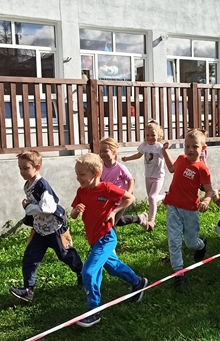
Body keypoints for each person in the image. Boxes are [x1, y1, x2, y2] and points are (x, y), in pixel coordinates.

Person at [71, 153, 147, 328]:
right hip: (93, 240)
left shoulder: (107, 189)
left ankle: (94, 311)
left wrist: (114, 212)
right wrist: (76, 210)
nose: (78, 178)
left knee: (89, 272)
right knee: (113, 267)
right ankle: (138, 282)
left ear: (96, 173)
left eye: (82, 174)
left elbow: (130, 198)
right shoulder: (82, 192)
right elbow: (74, 215)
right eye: (77, 174)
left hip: (106, 238)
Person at [9, 150, 84, 303]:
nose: (22, 171)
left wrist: (28, 207)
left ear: (37, 167)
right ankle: (28, 290)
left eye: (26, 168)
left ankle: (83, 273)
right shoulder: (28, 184)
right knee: (30, 257)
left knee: (65, 254)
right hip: (39, 230)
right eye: (20, 168)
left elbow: (48, 208)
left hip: (55, 229)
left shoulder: (42, 185)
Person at [162, 128, 215, 291]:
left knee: (191, 243)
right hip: (173, 207)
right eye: (187, 146)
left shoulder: (202, 169)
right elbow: (172, 169)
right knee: (174, 241)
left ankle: (201, 244)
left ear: (203, 148)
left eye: (195, 146)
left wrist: (206, 201)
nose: (190, 150)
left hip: (190, 210)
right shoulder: (181, 159)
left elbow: (209, 190)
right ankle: (179, 274)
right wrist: (164, 152)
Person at [122, 121, 166, 230]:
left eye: (153, 135)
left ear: (159, 135)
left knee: (152, 197)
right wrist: (127, 158)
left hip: (158, 176)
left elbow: (166, 156)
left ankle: (151, 220)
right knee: (151, 198)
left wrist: (165, 149)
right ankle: (165, 196)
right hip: (148, 175)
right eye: (147, 135)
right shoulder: (144, 146)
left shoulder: (159, 147)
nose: (150, 137)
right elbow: (138, 155)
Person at [99, 137, 150, 230]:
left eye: (105, 151)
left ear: (114, 152)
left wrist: (128, 194)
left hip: (120, 201)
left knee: (111, 223)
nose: (102, 154)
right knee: (119, 221)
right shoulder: (101, 167)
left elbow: (131, 180)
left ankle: (110, 239)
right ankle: (140, 218)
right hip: (108, 200)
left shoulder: (120, 168)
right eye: (100, 151)